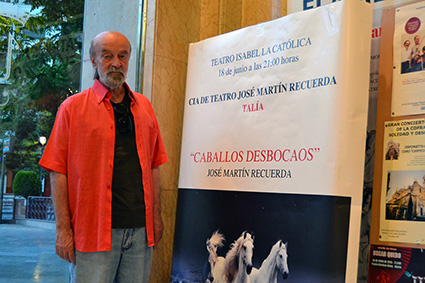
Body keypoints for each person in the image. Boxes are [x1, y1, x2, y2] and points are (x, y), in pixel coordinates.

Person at [39, 31, 168, 282]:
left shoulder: (145, 107)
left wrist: (156, 218)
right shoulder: (72, 109)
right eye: (107, 56)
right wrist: (63, 230)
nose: (116, 63)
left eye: (122, 56)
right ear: (93, 60)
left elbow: (154, 166)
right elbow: (58, 171)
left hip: (140, 233)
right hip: (93, 233)